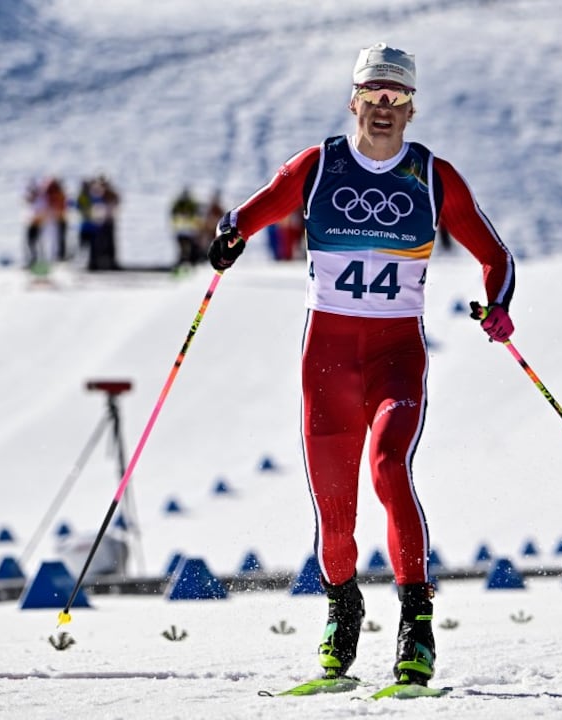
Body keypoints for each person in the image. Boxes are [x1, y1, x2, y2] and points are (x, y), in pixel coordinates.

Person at [207, 43, 516, 688]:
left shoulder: (434, 177)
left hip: (395, 357)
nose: (383, 107)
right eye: (372, 95)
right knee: (334, 504)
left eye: (396, 97)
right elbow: (255, 209)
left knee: (388, 467)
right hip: (326, 360)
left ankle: (416, 622)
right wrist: (232, 234)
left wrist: (498, 305)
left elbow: (496, 256)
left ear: (411, 108)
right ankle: (343, 607)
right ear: (353, 100)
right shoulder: (319, 166)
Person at [170, 186, 203, 270]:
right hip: (182, 231)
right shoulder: (180, 204)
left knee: (187, 250)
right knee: (184, 250)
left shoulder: (190, 204)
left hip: (188, 231)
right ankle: (183, 265)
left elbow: (196, 214)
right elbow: (174, 214)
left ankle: (186, 265)